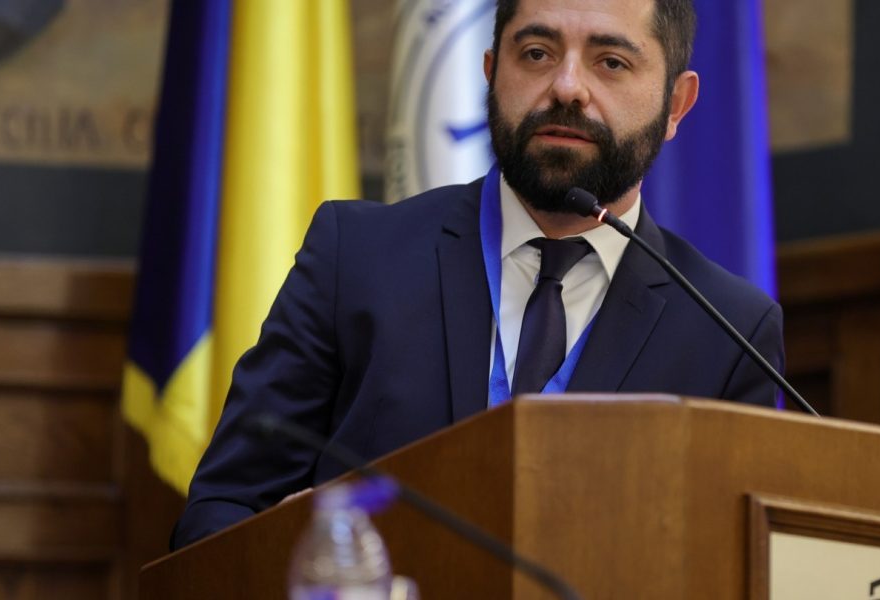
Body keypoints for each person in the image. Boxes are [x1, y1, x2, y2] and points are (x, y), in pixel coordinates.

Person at [172, 0, 784, 549]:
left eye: (611, 62)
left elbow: (737, 564)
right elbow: (220, 511)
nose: (567, 87)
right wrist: (292, 555)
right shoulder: (355, 257)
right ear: (491, 72)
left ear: (676, 104)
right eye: (537, 53)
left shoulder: (727, 331)